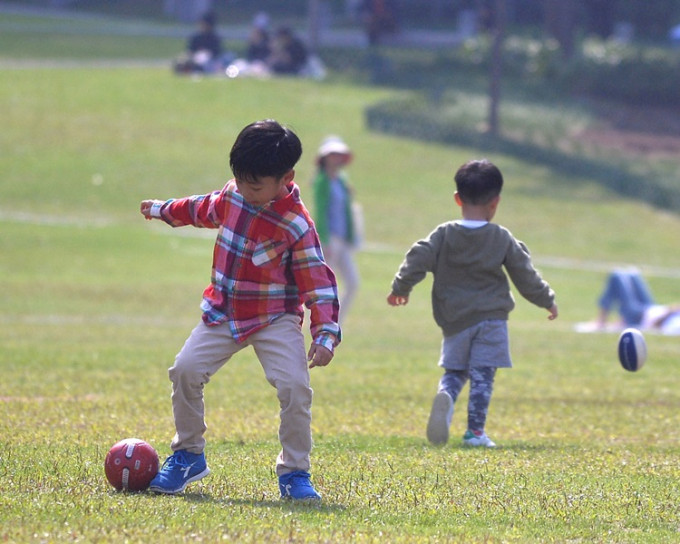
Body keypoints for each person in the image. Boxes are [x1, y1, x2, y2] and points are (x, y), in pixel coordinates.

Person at [139, 120, 341, 501]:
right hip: (224, 312)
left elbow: (319, 283)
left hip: (274, 319)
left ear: (286, 178)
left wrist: (325, 333)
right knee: (185, 370)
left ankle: (295, 473)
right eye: (241, 182)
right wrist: (162, 209)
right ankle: (188, 455)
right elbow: (199, 208)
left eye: (256, 186)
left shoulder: (296, 225)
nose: (246, 192)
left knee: (295, 388)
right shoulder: (233, 197)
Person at [387, 159, 558, 448]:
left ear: (457, 199)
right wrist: (547, 300)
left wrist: (401, 288)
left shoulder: (443, 234)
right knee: (483, 375)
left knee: (456, 372)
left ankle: (447, 395)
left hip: (454, 320)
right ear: (496, 202)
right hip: (491, 319)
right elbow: (524, 274)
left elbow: (418, 256)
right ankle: (475, 433)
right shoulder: (501, 237)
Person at [312, 136, 360, 324]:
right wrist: (324, 239)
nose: (336, 158)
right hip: (329, 238)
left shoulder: (341, 180)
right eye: (333, 154)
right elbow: (321, 211)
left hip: (342, 238)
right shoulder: (322, 181)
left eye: (339, 154)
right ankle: (321, 321)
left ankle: (335, 322)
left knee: (353, 282)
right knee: (327, 284)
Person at [595, 268, 680, 334]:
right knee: (633, 274)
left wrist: (668, 313)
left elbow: (658, 326)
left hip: (639, 317)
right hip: (650, 308)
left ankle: (601, 320)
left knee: (616, 276)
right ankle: (604, 321)